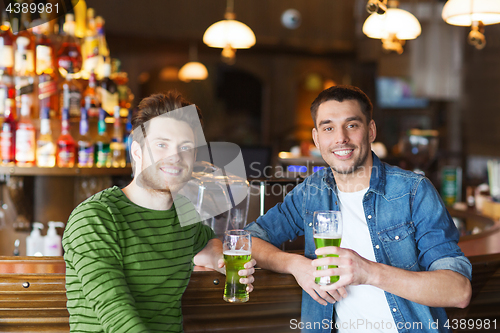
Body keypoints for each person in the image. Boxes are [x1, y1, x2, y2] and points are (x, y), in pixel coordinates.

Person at [244, 85, 472, 333]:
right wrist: (296, 265)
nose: (340, 138)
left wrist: (369, 272)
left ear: (371, 130)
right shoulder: (311, 193)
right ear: (317, 138)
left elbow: (457, 291)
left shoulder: (414, 192)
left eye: (351, 125)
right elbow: (248, 240)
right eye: (328, 128)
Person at [63, 91, 256, 333]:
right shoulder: (95, 218)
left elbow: (206, 242)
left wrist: (222, 261)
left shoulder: (184, 214)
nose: (174, 157)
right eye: (161, 145)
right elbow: (117, 318)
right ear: (137, 152)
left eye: (185, 147)